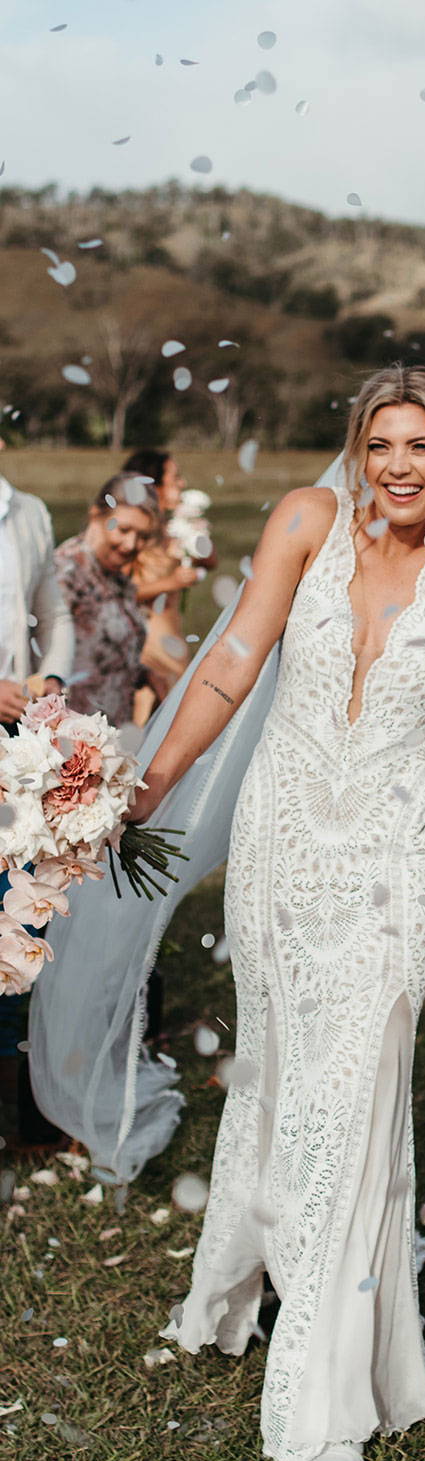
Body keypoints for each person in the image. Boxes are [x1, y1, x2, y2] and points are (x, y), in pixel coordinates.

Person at [123, 368, 425, 1461]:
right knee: (281, 1071)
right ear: (355, 448)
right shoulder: (304, 519)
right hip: (281, 838)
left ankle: (324, 1378)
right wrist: (149, 781)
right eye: (380, 442)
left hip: (394, 849)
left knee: (357, 1083)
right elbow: (232, 659)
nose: (397, 465)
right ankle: (242, 1279)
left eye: (421, 445)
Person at [0, 437, 74, 1147]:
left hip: (21, 750)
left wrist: (50, 682)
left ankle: (25, 1097)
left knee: (23, 919)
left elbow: (53, 613)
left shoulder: (28, 513)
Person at [53, 475, 158, 726]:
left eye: (142, 536)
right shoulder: (64, 573)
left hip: (112, 734)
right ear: (95, 515)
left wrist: (147, 675)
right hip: (69, 739)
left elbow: (105, 654)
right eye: (123, 530)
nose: (131, 544)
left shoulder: (117, 579)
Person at [121, 449, 203, 713]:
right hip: (148, 649)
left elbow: (210, 561)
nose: (182, 484)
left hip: (173, 642)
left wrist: (197, 539)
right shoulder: (131, 533)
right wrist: (172, 582)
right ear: (153, 486)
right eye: (175, 478)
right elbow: (116, 593)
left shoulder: (172, 529)